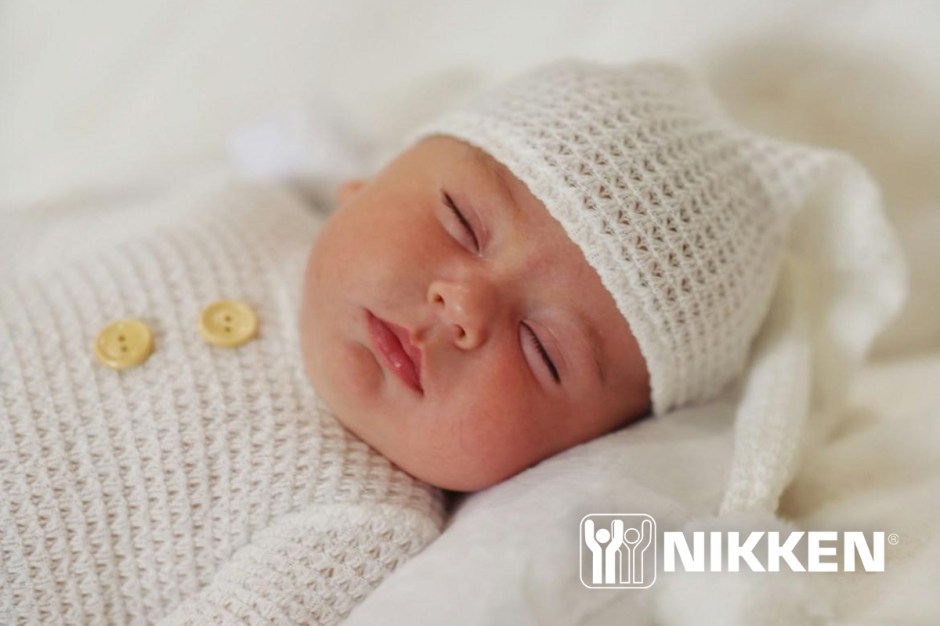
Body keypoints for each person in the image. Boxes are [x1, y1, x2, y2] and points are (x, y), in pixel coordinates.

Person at [0, 59, 880, 624]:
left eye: (544, 353)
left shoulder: (359, 522)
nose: (464, 307)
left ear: (560, 453)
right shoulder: (232, 206)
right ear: (365, 182)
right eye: (462, 219)